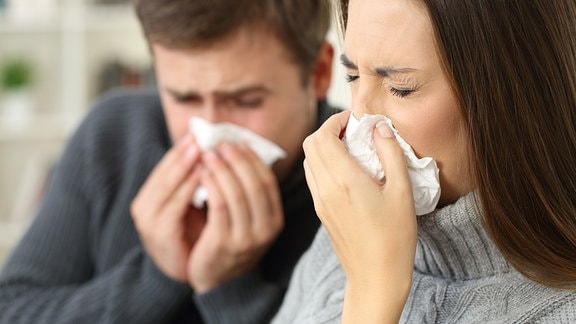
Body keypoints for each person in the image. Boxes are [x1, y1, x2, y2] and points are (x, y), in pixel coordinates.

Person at [0, 0, 339, 323]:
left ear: (320, 73)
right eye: (183, 97)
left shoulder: (360, 175)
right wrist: (155, 277)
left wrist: (231, 288)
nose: (209, 131)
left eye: (246, 100)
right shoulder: (112, 136)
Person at [272, 0, 576, 322]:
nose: (361, 118)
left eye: (399, 88)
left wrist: (373, 290)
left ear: (511, 97)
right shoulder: (352, 236)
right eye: (352, 77)